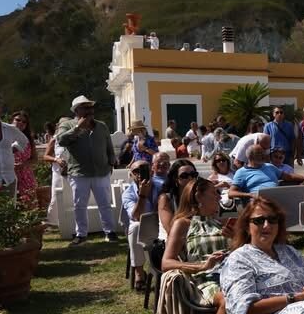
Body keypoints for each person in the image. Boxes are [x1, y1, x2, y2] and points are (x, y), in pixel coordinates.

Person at [162, 177, 235, 314]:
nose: (219, 197)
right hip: (206, 279)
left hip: (232, 273)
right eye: (214, 194)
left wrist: (237, 237)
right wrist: (201, 266)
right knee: (230, 301)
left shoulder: (219, 221)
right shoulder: (183, 224)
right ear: (198, 196)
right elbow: (166, 262)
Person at [55, 95, 117, 245]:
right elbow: (61, 140)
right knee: (80, 205)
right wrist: (77, 129)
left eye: (91, 107)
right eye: (85, 107)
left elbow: (108, 145)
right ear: (77, 110)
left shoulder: (101, 126)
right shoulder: (68, 125)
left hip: (101, 171)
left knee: (105, 204)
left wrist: (111, 161)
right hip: (79, 173)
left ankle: (110, 232)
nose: (90, 110)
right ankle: (81, 234)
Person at [0, 90, 29, 199]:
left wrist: (14, 148)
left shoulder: (9, 129)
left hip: (8, 179)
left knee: (9, 212)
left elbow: (24, 141)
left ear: (0, 110)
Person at [122, 160, 159, 290]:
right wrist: (142, 195)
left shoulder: (160, 186)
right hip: (141, 231)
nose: (139, 174)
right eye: (135, 171)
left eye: (143, 170)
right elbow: (136, 216)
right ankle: (139, 271)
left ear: (151, 172)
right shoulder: (128, 193)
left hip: (162, 225)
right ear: (131, 175)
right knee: (136, 226)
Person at [229, 145, 304, 199]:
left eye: (263, 153)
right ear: (250, 156)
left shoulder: (269, 166)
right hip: (258, 202)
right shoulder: (241, 172)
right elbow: (231, 193)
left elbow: (289, 176)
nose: (263, 156)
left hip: (278, 197)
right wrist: (251, 195)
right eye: (259, 154)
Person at [158, 159, 199, 240]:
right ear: (175, 179)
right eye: (184, 176)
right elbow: (171, 230)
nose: (190, 178)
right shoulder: (166, 199)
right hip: (172, 242)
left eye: (193, 174)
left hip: (196, 238)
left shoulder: (199, 196)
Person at [42, 119, 67, 226]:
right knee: (56, 196)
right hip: (58, 172)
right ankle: (52, 221)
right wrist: (56, 160)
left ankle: (69, 219)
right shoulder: (55, 140)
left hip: (73, 173)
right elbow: (45, 156)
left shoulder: (76, 139)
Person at [10, 111, 38, 205]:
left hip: (26, 176)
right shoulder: (3, 136)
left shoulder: (29, 139)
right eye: (18, 120)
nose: (21, 123)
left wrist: (23, 164)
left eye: (24, 121)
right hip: (9, 175)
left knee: (29, 206)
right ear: (12, 120)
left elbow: (34, 159)